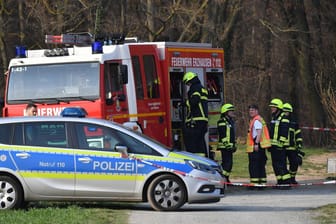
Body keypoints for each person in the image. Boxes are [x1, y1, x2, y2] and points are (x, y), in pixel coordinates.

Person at [182, 72, 208, 157]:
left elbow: (194, 101)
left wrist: (184, 103)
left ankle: (195, 161)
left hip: (196, 119)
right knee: (201, 143)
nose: (188, 85)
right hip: (203, 120)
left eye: (188, 83)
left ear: (190, 80)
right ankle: (204, 161)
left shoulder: (194, 88)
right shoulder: (201, 88)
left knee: (193, 143)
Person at [246, 104, 271, 189]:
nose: (251, 112)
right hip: (260, 145)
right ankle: (262, 183)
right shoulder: (258, 119)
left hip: (257, 145)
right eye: (250, 110)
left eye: (253, 110)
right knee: (260, 164)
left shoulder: (256, 120)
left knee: (254, 165)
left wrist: (256, 143)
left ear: (257, 111)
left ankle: (254, 184)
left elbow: (259, 132)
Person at [268, 98, 292, 189]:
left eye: (274, 107)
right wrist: (270, 144)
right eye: (272, 107)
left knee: (282, 164)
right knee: (275, 165)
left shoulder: (284, 118)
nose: (272, 108)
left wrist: (280, 144)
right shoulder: (274, 117)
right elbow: (272, 132)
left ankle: (286, 183)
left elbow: (284, 132)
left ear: (279, 108)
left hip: (280, 147)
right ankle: (280, 182)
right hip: (274, 146)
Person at [282, 103, 304, 184]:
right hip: (282, 147)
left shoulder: (294, 123)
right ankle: (286, 179)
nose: (285, 114)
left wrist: (299, 144)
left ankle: (292, 178)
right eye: (284, 112)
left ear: (290, 113)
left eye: (287, 112)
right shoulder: (280, 121)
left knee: (294, 163)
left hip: (292, 147)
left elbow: (298, 134)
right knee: (282, 164)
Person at [217, 103, 236, 182]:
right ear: (225, 112)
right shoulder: (222, 121)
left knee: (229, 164)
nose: (232, 112)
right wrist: (227, 145)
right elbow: (223, 135)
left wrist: (234, 145)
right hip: (225, 147)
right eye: (230, 111)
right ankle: (223, 178)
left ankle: (226, 178)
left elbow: (231, 135)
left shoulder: (230, 122)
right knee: (227, 164)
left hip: (229, 147)